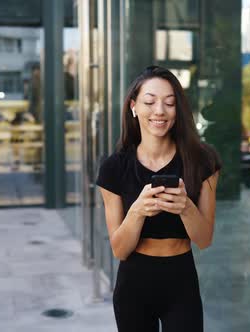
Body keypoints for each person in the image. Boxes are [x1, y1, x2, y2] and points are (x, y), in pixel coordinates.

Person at [95, 66, 222, 332]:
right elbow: (119, 249)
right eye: (150, 102)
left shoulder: (203, 162)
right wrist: (137, 211)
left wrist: (186, 207)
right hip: (134, 283)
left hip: (181, 278)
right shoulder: (113, 168)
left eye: (169, 103)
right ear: (133, 107)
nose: (159, 111)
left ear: (178, 110)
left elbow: (204, 239)